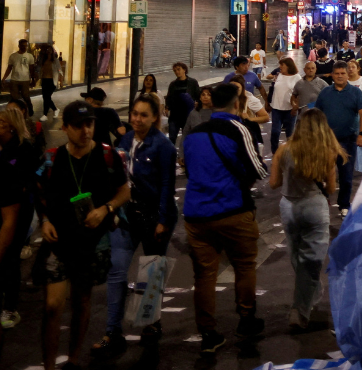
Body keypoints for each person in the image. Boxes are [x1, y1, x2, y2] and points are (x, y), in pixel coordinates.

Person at [37, 102, 130, 370]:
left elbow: (124, 191)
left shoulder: (108, 155)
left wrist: (106, 209)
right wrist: (44, 220)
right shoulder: (51, 158)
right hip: (58, 241)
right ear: (65, 128)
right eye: (78, 126)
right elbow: (38, 190)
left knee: (82, 301)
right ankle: (49, 365)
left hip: (92, 243)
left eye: (89, 124)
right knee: (53, 306)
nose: (85, 131)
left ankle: (73, 360)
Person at [182, 83, 268, 354]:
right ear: (236, 104)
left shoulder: (193, 134)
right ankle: (246, 319)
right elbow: (259, 169)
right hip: (232, 210)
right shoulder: (238, 128)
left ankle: (208, 332)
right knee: (244, 266)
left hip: (196, 214)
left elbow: (189, 168)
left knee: (204, 275)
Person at [93, 94, 178, 355]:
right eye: (134, 114)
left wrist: (162, 220)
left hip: (155, 217)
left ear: (155, 118)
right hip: (127, 217)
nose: (137, 119)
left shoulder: (163, 146)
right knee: (117, 272)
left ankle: (150, 324)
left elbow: (167, 185)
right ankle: (112, 331)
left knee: (150, 273)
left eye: (143, 115)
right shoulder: (126, 140)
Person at [268, 108, 342, 330]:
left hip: (289, 206)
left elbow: (273, 183)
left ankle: (308, 299)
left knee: (297, 255)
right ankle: (299, 311)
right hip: (314, 206)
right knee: (311, 260)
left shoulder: (283, 149)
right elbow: (330, 187)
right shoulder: (327, 152)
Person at [0, 103, 39, 329]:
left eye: (2, 124)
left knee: (10, 255)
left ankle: (10, 307)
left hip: (18, 210)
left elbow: (30, 180)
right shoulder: (3, 149)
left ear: (12, 128)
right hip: (4, 208)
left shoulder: (23, 149)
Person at [314, 63, 362, 217]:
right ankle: (322, 202)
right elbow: (316, 114)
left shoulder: (355, 92)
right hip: (327, 141)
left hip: (348, 140)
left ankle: (344, 204)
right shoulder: (325, 93)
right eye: (336, 73)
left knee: (346, 175)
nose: (339, 76)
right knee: (322, 174)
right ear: (332, 75)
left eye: (342, 73)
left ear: (347, 75)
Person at [268, 57, 302, 155]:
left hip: (290, 110)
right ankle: (275, 153)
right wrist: (268, 103)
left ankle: (290, 154)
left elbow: (299, 94)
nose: (280, 67)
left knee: (290, 134)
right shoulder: (279, 75)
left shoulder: (297, 77)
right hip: (276, 108)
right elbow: (273, 89)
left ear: (288, 66)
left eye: (282, 65)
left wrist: (296, 106)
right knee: (275, 132)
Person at [165, 62, 200, 144]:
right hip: (175, 114)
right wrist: (167, 108)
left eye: (178, 69)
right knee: (172, 137)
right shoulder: (173, 84)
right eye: (175, 70)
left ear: (184, 69)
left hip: (187, 114)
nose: (177, 72)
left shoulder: (192, 82)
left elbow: (198, 95)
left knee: (187, 137)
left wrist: (197, 103)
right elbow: (169, 97)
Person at [180, 87, 215, 168]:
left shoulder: (216, 113)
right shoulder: (193, 113)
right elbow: (185, 133)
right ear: (200, 97)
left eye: (208, 95)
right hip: (196, 152)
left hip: (212, 153)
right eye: (203, 95)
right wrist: (181, 154)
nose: (205, 97)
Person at [37, 44, 63, 121]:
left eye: (50, 50)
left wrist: (61, 81)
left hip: (52, 81)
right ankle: (55, 109)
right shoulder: (43, 60)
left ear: (52, 51)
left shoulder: (55, 60)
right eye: (47, 50)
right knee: (45, 97)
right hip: (44, 80)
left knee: (47, 97)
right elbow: (41, 70)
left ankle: (45, 114)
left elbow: (60, 70)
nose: (48, 51)